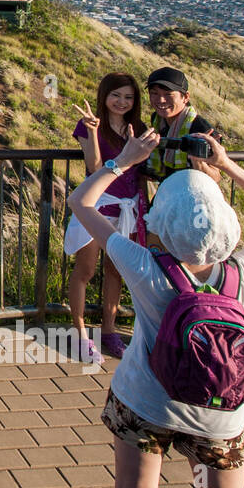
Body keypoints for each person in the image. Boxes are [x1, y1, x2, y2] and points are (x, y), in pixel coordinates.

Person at [68, 130, 244, 488]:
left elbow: (81, 202)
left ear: (160, 220)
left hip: (146, 401)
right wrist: (225, 165)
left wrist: (122, 161)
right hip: (218, 410)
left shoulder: (144, 266)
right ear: (226, 221)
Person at [63, 72, 148, 363]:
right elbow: (95, 167)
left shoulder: (138, 128)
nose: (122, 102)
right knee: (85, 271)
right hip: (96, 207)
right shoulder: (88, 125)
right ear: (104, 96)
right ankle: (81, 334)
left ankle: (109, 331)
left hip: (127, 210)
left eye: (128, 97)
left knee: (116, 272)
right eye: (116, 95)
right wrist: (94, 133)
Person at [143, 67, 220, 188]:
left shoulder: (201, 129)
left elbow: (215, 177)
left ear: (185, 97)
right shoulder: (157, 120)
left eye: (168, 94)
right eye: (154, 93)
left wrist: (197, 160)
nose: (161, 100)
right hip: (168, 190)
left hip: (194, 193)